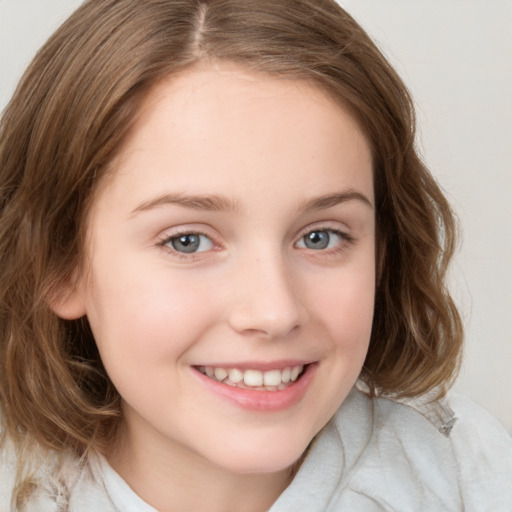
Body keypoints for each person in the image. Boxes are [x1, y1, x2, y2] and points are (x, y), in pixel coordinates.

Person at [0, 0, 510, 510]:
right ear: (58, 264)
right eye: (188, 241)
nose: (275, 311)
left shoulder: (470, 474)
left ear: (382, 251)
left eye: (321, 236)